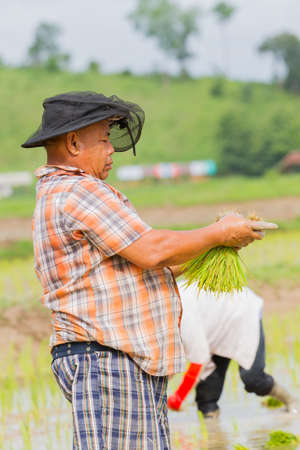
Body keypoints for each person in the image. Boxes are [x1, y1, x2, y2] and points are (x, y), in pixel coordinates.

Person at [22, 91, 266, 449]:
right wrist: (217, 233)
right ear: (73, 142)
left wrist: (217, 243)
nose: (112, 150)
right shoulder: (78, 190)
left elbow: (157, 261)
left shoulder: (73, 192)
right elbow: (153, 249)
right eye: (104, 139)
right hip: (106, 362)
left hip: (122, 362)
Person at [168, 282, 298, 419]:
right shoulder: (162, 318)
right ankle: (212, 430)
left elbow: (199, 360)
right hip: (214, 325)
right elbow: (168, 362)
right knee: (207, 397)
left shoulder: (184, 317)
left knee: (253, 379)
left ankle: (292, 402)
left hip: (241, 312)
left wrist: (178, 397)